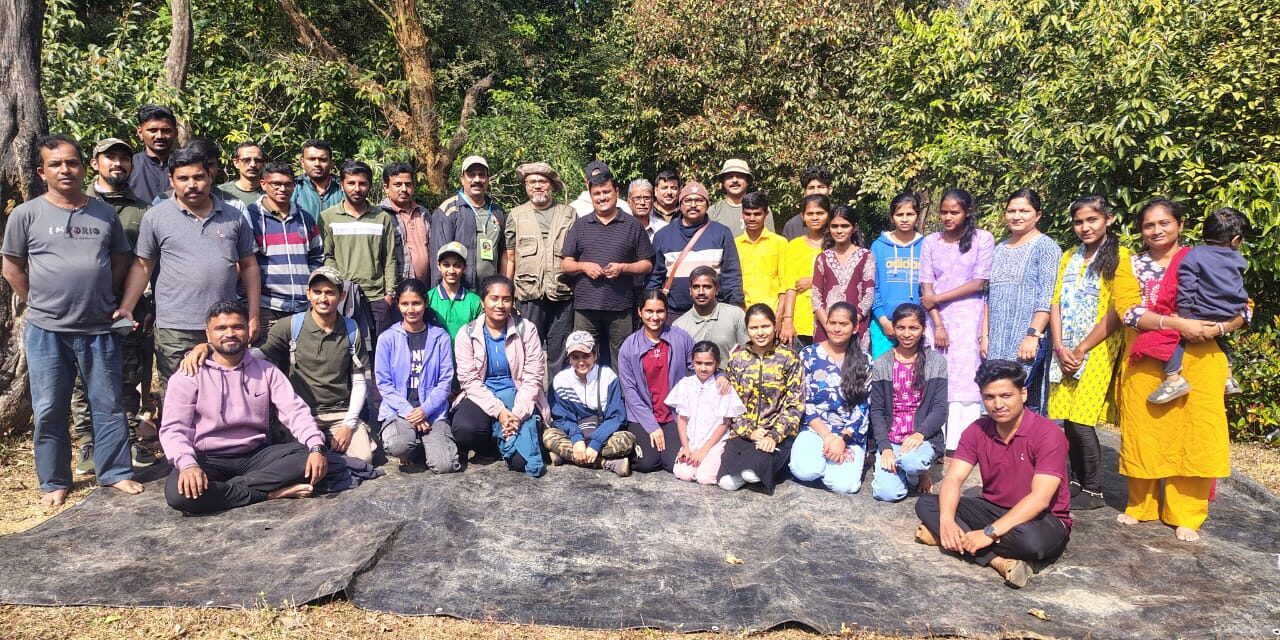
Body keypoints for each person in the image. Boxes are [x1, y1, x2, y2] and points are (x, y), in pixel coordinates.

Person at [2, 135, 145, 507]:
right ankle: (54, 480)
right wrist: (37, 300)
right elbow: (12, 266)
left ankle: (114, 472)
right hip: (46, 330)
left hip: (98, 327)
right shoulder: (26, 214)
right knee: (50, 407)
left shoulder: (103, 213)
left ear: (84, 167)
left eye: (72, 163)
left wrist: (99, 295)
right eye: (55, 164)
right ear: (42, 171)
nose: (65, 170)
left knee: (109, 403)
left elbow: (118, 261)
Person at [1113, 199, 1244, 542]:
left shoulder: (1205, 257)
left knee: (1196, 435)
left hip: (1201, 358)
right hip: (1149, 358)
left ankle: (1187, 513)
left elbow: (1244, 306)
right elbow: (1128, 311)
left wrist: (1217, 329)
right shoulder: (1131, 265)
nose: (1156, 231)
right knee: (1145, 431)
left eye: (1164, 223)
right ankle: (1141, 505)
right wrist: (1177, 323)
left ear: (1180, 225)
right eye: (1148, 225)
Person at [180, 266, 377, 464]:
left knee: (364, 459)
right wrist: (208, 347)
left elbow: (360, 380)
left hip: (339, 413)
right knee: (300, 462)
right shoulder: (290, 326)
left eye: (330, 293)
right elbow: (254, 355)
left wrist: (348, 425)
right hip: (301, 414)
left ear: (341, 296)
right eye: (317, 292)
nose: (323, 299)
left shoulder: (352, 329)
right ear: (308, 294)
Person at [115, 146, 261, 409]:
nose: (192, 185)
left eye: (198, 177)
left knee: (224, 394)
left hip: (224, 325)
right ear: (171, 180)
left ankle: (220, 448)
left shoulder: (233, 216)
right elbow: (143, 266)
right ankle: (178, 449)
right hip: (176, 326)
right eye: (183, 178)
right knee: (179, 395)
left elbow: (249, 266)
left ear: (210, 177)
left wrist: (252, 316)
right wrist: (126, 307)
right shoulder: (156, 217)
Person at [161, 301, 328, 514]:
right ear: (208, 334)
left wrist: (315, 445)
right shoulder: (189, 374)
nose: (230, 333)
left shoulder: (266, 370)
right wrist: (188, 465)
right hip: (207, 458)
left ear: (248, 330)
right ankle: (268, 494)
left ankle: (226, 492)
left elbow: (294, 411)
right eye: (221, 328)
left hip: (254, 455)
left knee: (311, 459)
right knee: (179, 494)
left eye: (237, 327)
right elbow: (174, 429)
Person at [71, 137, 156, 473]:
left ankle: (128, 439)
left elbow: (146, 261)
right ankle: (88, 443)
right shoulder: (76, 203)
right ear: (95, 163)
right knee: (82, 377)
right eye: (110, 158)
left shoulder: (142, 209)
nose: (117, 163)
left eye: (124, 158)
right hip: (83, 307)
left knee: (127, 374)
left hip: (128, 306)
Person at [1047, 196, 1127, 510]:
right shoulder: (1069, 256)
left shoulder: (1121, 257)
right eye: (1079, 222)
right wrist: (1059, 346)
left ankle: (1094, 490)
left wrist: (1081, 348)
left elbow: (1116, 311)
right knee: (1066, 419)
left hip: (1098, 351)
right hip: (1064, 349)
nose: (1085, 227)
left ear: (1108, 219)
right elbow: (1055, 302)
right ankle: (1077, 481)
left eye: (1092, 220)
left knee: (1082, 420)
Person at [1139, 207, 1249, 404]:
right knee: (1222, 339)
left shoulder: (1194, 255)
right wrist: (1227, 320)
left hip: (1200, 312)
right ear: (1235, 240)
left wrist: (1183, 315)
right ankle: (1229, 376)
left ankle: (1173, 378)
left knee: (1174, 338)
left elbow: (1187, 287)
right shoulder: (1239, 259)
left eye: (1164, 223)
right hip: (1231, 311)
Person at [919, 188, 994, 455]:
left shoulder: (983, 239)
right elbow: (926, 287)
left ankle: (963, 447)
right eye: (944, 212)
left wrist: (938, 297)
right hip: (936, 319)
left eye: (954, 212)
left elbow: (978, 282)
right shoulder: (931, 242)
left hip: (969, 316)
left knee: (965, 380)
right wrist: (938, 324)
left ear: (967, 213)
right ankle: (935, 442)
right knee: (938, 376)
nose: (948, 217)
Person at [451, 275, 549, 477]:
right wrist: (500, 413)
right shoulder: (467, 334)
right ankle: (492, 443)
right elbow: (469, 381)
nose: (500, 305)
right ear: (482, 301)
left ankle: (511, 436)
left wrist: (518, 414)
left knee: (520, 462)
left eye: (506, 299)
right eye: (494, 298)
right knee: (463, 430)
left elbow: (533, 377)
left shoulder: (526, 330)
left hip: (517, 394)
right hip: (482, 394)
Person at [560, 169, 655, 367]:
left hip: (620, 307)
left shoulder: (632, 225)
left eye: (606, 192)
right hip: (586, 308)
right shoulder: (580, 225)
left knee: (622, 359)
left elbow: (647, 264)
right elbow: (565, 264)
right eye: (597, 193)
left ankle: (620, 397)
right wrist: (583, 266)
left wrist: (623, 268)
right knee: (583, 357)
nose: (602, 197)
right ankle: (587, 397)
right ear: (591, 195)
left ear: (616, 193)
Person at [985, 189, 1062, 414]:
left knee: (1022, 398)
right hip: (998, 341)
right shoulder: (999, 248)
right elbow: (989, 296)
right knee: (997, 399)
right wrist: (985, 336)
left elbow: (1047, 296)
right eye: (1011, 211)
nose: (1016, 216)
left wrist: (1033, 335)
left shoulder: (1046, 247)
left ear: (1037, 215)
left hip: (1025, 340)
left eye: (1024, 211)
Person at [376, 278, 461, 473]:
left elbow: (445, 380)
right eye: (405, 304)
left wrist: (424, 410)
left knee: (445, 465)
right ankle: (409, 445)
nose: (411, 309)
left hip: (431, 411)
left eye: (416, 303)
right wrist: (409, 412)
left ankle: (427, 445)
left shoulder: (440, 337)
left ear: (425, 303)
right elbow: (384, 383)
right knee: (398, 445)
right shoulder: (387, 338)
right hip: (399, 410)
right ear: (398, 305)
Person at [503, 161, 576, 377]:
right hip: (528, 295)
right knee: (527, 352)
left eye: (542, 182)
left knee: (560, 354)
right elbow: (510, 258)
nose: (537, 186)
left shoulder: (568, 214)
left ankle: (558, 405)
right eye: (531, 182)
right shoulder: (515, 215)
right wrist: (508, 294)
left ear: (552, 185)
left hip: (562, 294)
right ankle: (529, 404)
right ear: (525, 186)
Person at [789, 303, 871, 494]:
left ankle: (839, 464)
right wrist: (827, 436)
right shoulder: (808, 355)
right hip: (816, 429)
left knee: (843, 486)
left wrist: (841, 439)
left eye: (843, 324)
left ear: (855, 327)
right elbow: (804, 400)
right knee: (804, 471)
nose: (836, 328)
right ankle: (822, 459)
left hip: (849, 435)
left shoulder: (864, 360)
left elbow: (862, 407)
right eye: (832, 322)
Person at [719, 304, 802, 492]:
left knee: (751, 474)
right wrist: (748, 432)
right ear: (747, 330)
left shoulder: (789, 358)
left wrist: (774, 435)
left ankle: (770, 465)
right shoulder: (738, 359)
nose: (760, 332)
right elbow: (731, 402)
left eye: (765, 326)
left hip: (775, 434)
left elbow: (795, 404)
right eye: (754, 328)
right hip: (744, 432)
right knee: (725, 482)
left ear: (775, 326)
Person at [869, 303, 946, 502]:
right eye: (901, 328)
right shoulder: (882, 363)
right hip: (892, 437)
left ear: (923, 330)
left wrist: (920, 433)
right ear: (893, 329)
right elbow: (876, 411)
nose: (907, 334)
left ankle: (919, 471)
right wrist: (885, 448)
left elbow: (939, 408)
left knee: (913, 462)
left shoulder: (936, 361)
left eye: (913, 328)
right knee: (886, 493)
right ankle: (905, 471)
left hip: (920, 437)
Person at [318, 160, 399, 337]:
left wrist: (389, 295)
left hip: (376, 298)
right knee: (344, 349)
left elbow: (390, 258)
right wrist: (339, 288)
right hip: (342, 297)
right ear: (342, 185)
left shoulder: (381, 217)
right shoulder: (328, 217)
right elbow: (327, 256)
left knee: (378, 352)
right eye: (351, 183)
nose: (357, 188)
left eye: (362, 183)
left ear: (369, 186)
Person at [245, 161, 324, 338]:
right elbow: (246, 263)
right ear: (263, 184)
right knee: (266, 361)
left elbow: (317, 256)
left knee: (301, 362)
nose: (283, 189)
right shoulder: (251, 218)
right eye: (276, 184)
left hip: (302, 308)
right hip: (268, 308)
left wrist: (309, 287)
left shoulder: (305, 218)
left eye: (288, 184)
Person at [619, 290, 694, 473]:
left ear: (667, 312)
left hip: (672, 413)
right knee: (647, 464)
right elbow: (629, 392)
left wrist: (721, 376)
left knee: (673, 463)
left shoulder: (681, 338)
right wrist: (652, 426)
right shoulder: (629, 346)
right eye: (649, 311)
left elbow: (697, 369)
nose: (654, 317)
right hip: (642, 414)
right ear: (640, 312)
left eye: (660, 311)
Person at [544, 331, 637, 476]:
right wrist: (576, 439)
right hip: (574, 434)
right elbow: (562, 418)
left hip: (603, 434)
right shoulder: (560, 380)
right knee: (548, 436)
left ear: (595, 355)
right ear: (569, 359)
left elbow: (616, 416)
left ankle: (566, 456)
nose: (581, 362)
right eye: (575, 357)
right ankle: (606, 462)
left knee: (627, 440)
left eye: (586, 356)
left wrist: (596, 443)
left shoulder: (608, 377)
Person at [647, 181, 744, 317]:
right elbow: (655, 277)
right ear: (680, 205)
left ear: (707, 204)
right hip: (674, 313)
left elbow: (731, 275)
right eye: (688, 200)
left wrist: (735, 309)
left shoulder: (721, 233)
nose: (693, 205)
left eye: (699, 200)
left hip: (714, 313)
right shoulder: (663, 236)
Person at [667, 341, 745, 485]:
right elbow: (682, 418)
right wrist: (686, 447)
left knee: (705, 478)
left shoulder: (722, 387)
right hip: (692, 441)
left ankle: (735, 472)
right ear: (692, 361)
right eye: (699, 363)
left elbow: (724, 423)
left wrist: (703, 451)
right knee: (683, 473)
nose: (703, 368)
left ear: (717, 363)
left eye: (708, 363)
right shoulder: (686, 384)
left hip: (713, 442)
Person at [434, 156, 506, 288]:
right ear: (462, 179)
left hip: (490, 292)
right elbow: (438, 257)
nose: (477, 180)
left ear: (488, 179)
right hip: (460, 291)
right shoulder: (449, 210)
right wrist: (440, 296)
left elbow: (504, 255)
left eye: (481, 175)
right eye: (471, 175)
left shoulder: (497, 212)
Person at [811, 204, 874, 350]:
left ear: (854, 228)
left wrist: (849, 325)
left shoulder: (866, 256)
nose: (839, 230)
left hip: (856, 327)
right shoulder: (823, 258)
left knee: (854, 370)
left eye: (845, 226)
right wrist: (830, 326)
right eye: (834, 226)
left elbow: (868, 295)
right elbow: (816, 296)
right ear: (829, 227)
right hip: (825, 328)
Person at [869, 193, 924, 357]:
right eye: (900, 214)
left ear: (917, 216)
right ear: (892, 217)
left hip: (915, 326)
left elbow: (929, 288)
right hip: (883, 325)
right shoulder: (878, 246)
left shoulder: (926, 245)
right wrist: (883, 320)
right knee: (884, 375)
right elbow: (873, 286)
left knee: (912, 376)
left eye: (910, 214)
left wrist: (921, 323)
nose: (905, 219)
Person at [779, 195, 831, 347]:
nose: (815, 217)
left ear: (828, 215)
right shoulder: (794, 246)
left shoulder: (835, 244)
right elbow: (790, 286)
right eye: (810, 214)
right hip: (801, 321)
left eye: (820, 213)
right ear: (803, 216)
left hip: (829, 321)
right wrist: (788, 321)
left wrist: (814, 281)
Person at [382, 162, 444, 287]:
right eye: (398, 185)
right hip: (397, 289)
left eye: (408, 184)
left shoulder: (423, 213)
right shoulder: (380, 215)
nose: (404, 189)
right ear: (386, 187)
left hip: (425, 288)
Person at [673, 266, 748, 365]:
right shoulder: (679, 326)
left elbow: (748, 354)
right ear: (690, 290)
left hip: (731, 378)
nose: (701, 292)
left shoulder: (736, 315)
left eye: (707, 287)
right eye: (696, 287)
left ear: (717, 289)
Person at [735, 191, 787, 312]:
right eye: (748, 214)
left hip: (772, 312)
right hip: (743, 313)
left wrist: (780, 316)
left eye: (757, 214)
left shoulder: (779, 243)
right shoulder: (734, 244)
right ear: (742, 214)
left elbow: (785, 284)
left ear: (766, 214)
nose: (752, 218)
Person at [428, 242, 483, 342]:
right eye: (446, 265)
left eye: (457, 265)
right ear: (439, 266)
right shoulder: (428, 299)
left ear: (464, 268)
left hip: (466, 356)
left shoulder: (475, 301)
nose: (451, 270)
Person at [128, 104, 178, 203]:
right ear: (140, 132)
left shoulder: (187, 165)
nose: (159, 136)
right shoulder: (130, 166)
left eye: (166, 131)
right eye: (152, 130)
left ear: (176, 133)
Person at [708, 158, 772, 234]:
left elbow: (770, 241)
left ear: (747, 181)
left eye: (739, 176)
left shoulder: (761, 209)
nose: (734, 180)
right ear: (723, 182)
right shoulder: (713, 212)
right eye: (729, 176)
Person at [292, 139, 345, 216]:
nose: (317, 164)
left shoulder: (343, 187)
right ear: (302, 162)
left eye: (323, 160)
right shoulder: (293, 187)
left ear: (331, 163)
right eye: (312, 159)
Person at [781, 165, 833, 240]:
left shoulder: (843, 219)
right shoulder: (792, 226)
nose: (816, 192)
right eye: (811, 188)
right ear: (804, 192)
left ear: (830, 189)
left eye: (821, 187)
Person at [217, 141, 265, 206]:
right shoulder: (220, 193)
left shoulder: (273, 193)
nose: (253, 164)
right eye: (246, 160)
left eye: (258, 160)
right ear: (236, 163)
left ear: (263, 164)